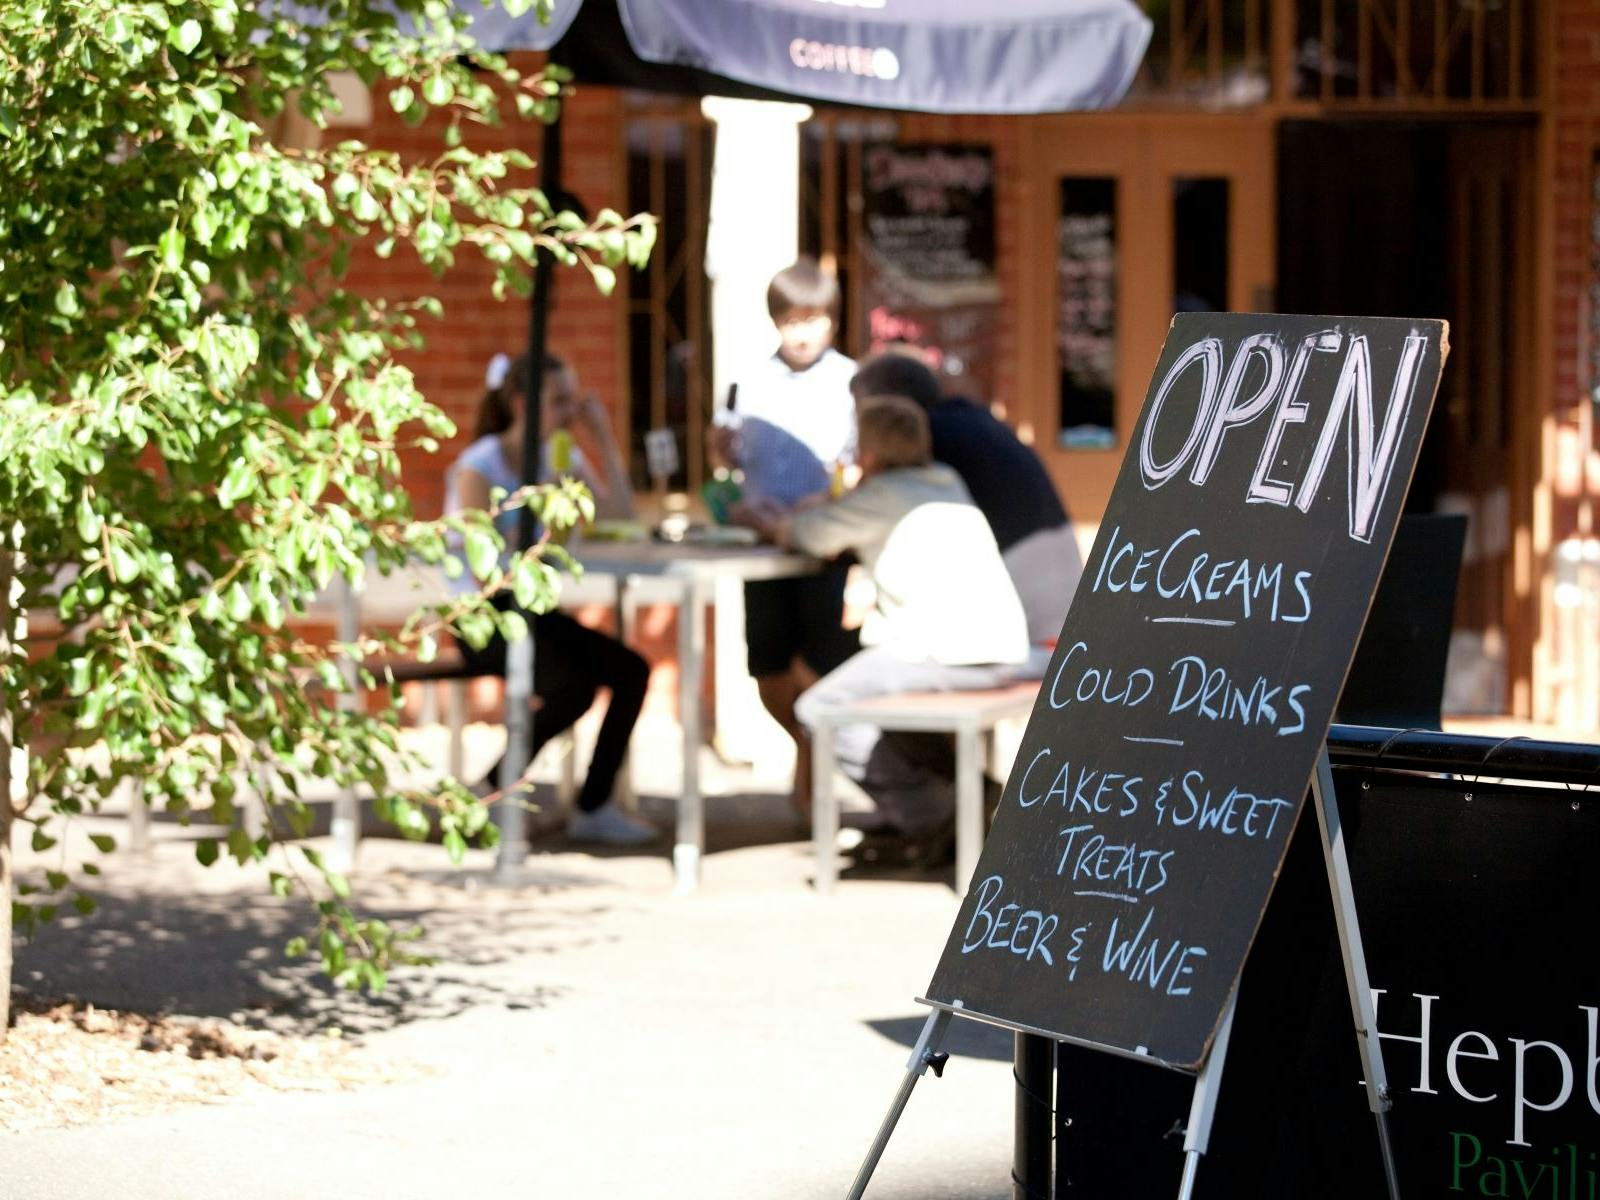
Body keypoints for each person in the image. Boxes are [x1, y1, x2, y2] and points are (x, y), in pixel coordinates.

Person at [741, 395, 1030, 858]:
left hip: (937, 649)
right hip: (1001, 646)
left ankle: (936, 817)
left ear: (869, 454)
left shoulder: (881, 494)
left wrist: (771, 520)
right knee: (883, 712)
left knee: (818, 710)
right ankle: (964, 797)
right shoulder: (945, 479)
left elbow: (808, 535)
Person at [442, 351, 657, 846]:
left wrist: (600, 437)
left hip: (533, 611)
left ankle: (594, 805)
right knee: (573, 686)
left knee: (631, 670)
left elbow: (619, 516)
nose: (569, 412)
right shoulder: (480, 465)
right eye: (559, 401)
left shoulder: (559, 458)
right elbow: (480, 568)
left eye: (573, 402)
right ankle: (493, 793)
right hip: (481, 616)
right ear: (521, 403)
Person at [710, 257, 860, 807]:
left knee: (820, 664)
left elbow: (858, 465)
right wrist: (718, 453)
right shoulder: (747, 381)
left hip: (823, 545)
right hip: (763, 548)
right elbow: (727, 462)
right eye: (792, 320)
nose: (802, 332)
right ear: (776, 321)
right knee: (769, 667)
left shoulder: (850, 381)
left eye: (814, 318)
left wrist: (823, 503)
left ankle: (812, 771)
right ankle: (806, 748)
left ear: (833, 320)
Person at [847, 351, 1084, 661]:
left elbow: (869, 514)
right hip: (1068, 608)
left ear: (886, 406)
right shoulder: (976, 421)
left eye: (860, 411)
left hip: (1019, 630)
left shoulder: (924, 441)